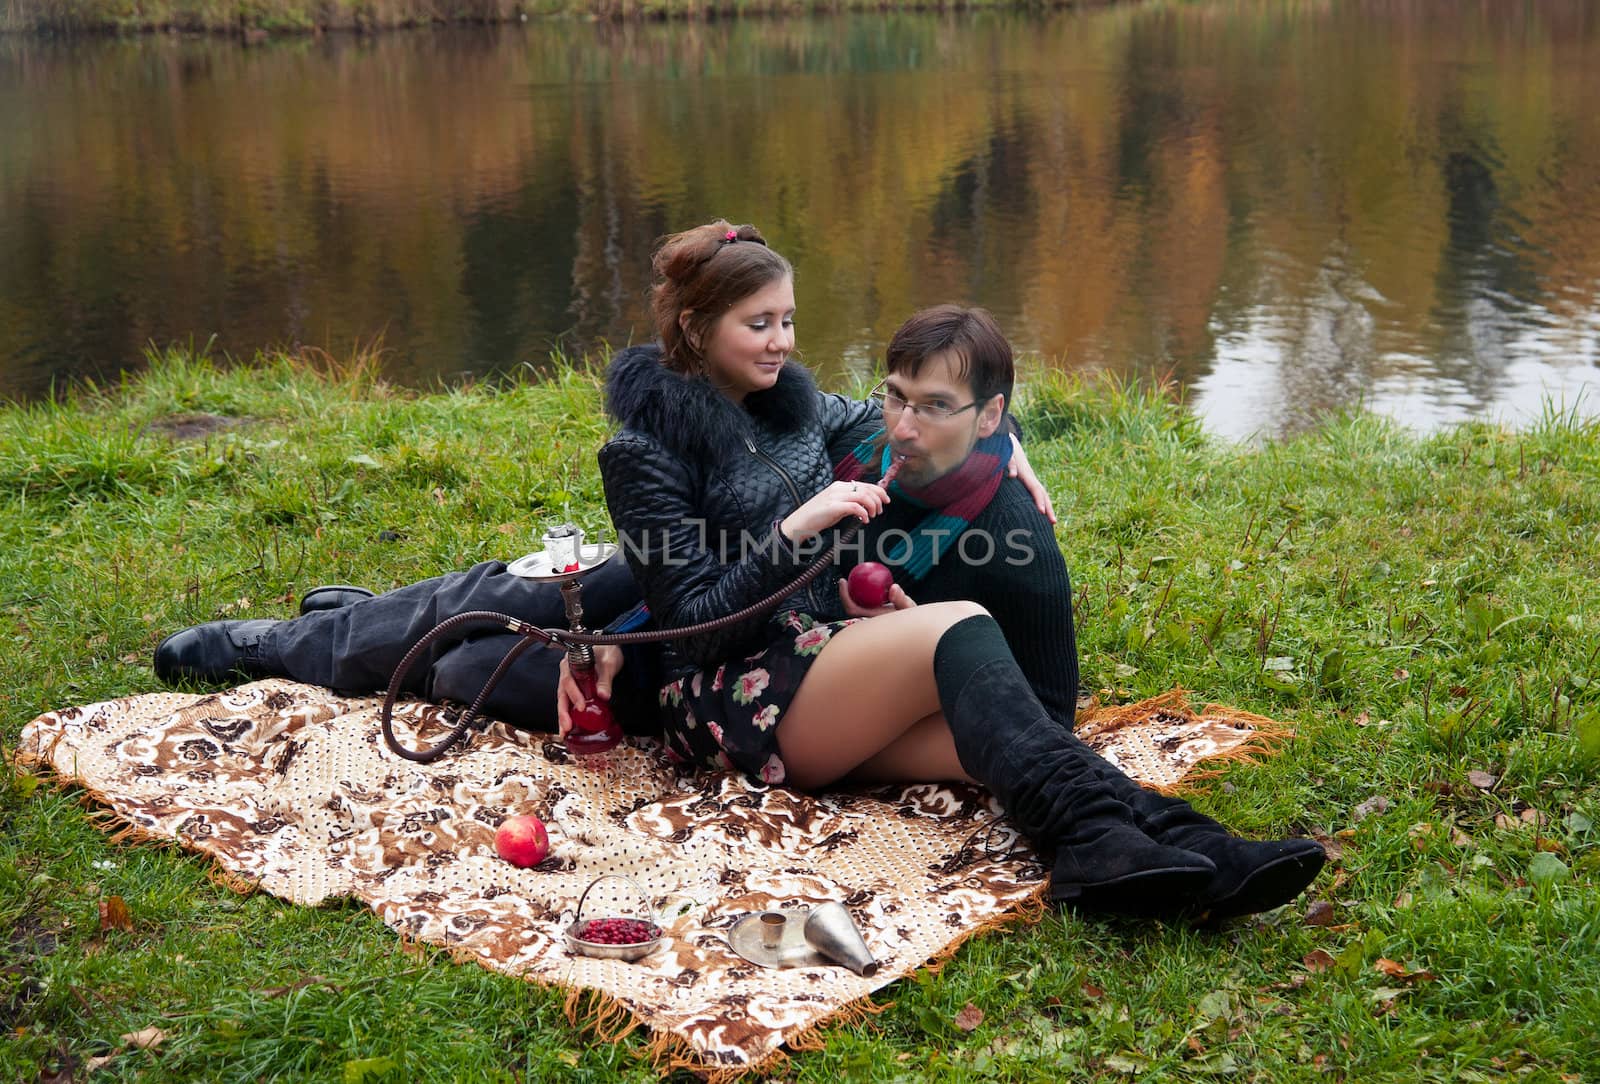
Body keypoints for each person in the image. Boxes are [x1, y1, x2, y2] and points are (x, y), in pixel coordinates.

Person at [588, 220, 1324, 921]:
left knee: (1016, 736)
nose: (783, 342)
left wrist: (1007, 441)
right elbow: (693, 622)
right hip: (726, 700)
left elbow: (930, 420)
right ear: (692, 327)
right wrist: (795, 530)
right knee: (959, 629)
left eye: (787, 319)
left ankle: (1176, 847)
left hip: (818, 669)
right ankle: (1105, 849)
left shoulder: (795, 410)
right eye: (759, 324)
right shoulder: (642, 455)